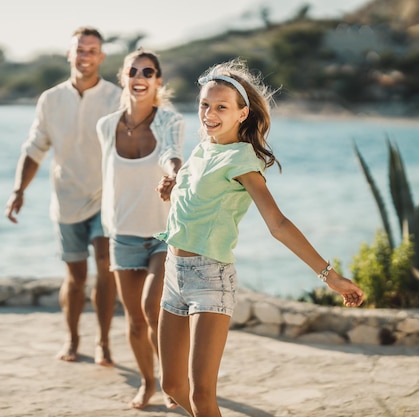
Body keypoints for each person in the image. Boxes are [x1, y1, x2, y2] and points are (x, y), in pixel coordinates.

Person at [154, 59, 365, 417]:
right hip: (174, 272)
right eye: (205, 104)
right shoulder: (204, 148)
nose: (209, 113)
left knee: (203, 394)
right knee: (172, 386)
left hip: (210, 278)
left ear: (242, 114)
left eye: (222, 107)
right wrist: (173, 188)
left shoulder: (242, 160)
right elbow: (198, 200)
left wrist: (330, 276)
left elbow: (278, 223)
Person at [5, 27, 121, 367]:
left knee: (105, 266)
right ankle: (72, 339)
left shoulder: (117, 97)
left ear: (101, 57)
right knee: (75, 276)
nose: (85, 55)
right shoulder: (50, 99)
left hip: (106, 198)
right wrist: (18, 190)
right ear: (70, 55)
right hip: (66, 199)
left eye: (92, 50)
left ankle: (103, 342)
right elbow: (34, 148)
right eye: (80, 50)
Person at [96, 48, 184, 409]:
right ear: (123, 77)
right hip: (123, 234)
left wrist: (174, 175)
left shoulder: (169, 121)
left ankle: (172, 382)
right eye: (133, 71)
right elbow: (106, 177)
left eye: (148, 72)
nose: (140, 77)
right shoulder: (106, 126)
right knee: (134, 323)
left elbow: (171, 153)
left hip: (163, 233)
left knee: (153, 310)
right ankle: (148, 383)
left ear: (158, 81)